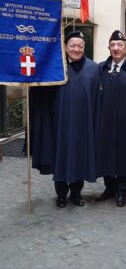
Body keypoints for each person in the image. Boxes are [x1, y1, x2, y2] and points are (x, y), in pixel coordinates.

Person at [31, 30, 100, 207]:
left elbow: (97, 99)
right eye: (72, 46)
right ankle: (61, 195)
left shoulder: (93, 68)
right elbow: (42, 93)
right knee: (60, 158)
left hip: (83, 124)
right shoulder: (55, 67)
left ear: (84, 48)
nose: (76, 49)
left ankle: (76, 194)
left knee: (79, 158)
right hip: (59, 123)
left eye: (80, 46)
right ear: (65, 47)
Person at [96, 30, 126, 207]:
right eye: (113, 45)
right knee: (106, 155)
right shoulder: (101, 68)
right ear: (108, 47)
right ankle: (109, 188)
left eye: (120, 45)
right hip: (105, 122)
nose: (116, 48)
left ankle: (121, 190)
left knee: (122, 157)